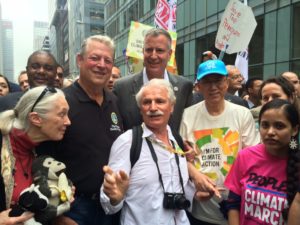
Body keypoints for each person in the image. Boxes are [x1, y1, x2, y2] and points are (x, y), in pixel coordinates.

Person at [38, 35, 123, 225]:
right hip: (73, 208)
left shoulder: (114, 101)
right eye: (95, 58)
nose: (101, 65)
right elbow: (42, 160)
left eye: (107, 60)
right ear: (80, 60)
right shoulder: (60, 102)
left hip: (111, 205)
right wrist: (56, 215)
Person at [100, 79, 194, 225]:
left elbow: (180, 186)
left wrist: (197, 193)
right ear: (140, 109)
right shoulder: (128, 142)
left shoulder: (176, 140)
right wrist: (114, 198)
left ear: (172, 107)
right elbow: (108, 201)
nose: (153, 107)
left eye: (160, 101)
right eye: (146, 102)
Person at [180, 60, 259, 225]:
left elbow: (252, 157)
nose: (213, 86)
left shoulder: (242, 114)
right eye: (207, 82)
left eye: (218, 80)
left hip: (235, 207)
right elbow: (179, 157)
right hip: (200, 208)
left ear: (226, 82)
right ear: (199, 86)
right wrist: (196, 175)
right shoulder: (187, 116)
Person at [0, 86, 71, 225]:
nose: (68, 122)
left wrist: (59, 197)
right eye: (62, 114)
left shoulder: (46, 146)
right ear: (36, 119)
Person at [225, 99, 300, 225]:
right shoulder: (245, 156)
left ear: (294, 130)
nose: (270, 132)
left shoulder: (297, 163)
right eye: (265, 125)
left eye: (279, 126)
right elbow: (233, 203)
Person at [113, 27, 193, 132]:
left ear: (169, 54)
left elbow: (189, 127)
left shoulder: (184, 87)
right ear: (143, 52)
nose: (153, 56)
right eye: (149, 50)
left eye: (159, 50)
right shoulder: (121, 88)